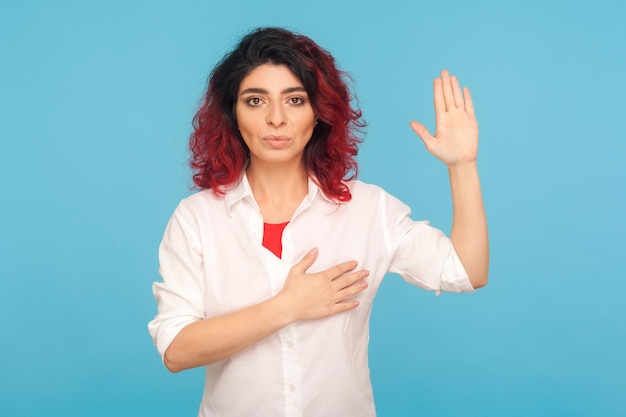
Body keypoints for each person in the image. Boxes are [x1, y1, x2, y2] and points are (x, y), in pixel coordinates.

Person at [148, 27, 489, 417]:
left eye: (295, 100)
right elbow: (176, 350)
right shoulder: (196, 219)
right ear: (233, 114)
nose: (276, 119)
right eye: (255, 100)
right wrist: (287, 306)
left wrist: (463, 166)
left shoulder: (368, 208)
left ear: (318, 114)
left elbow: (466, 271)